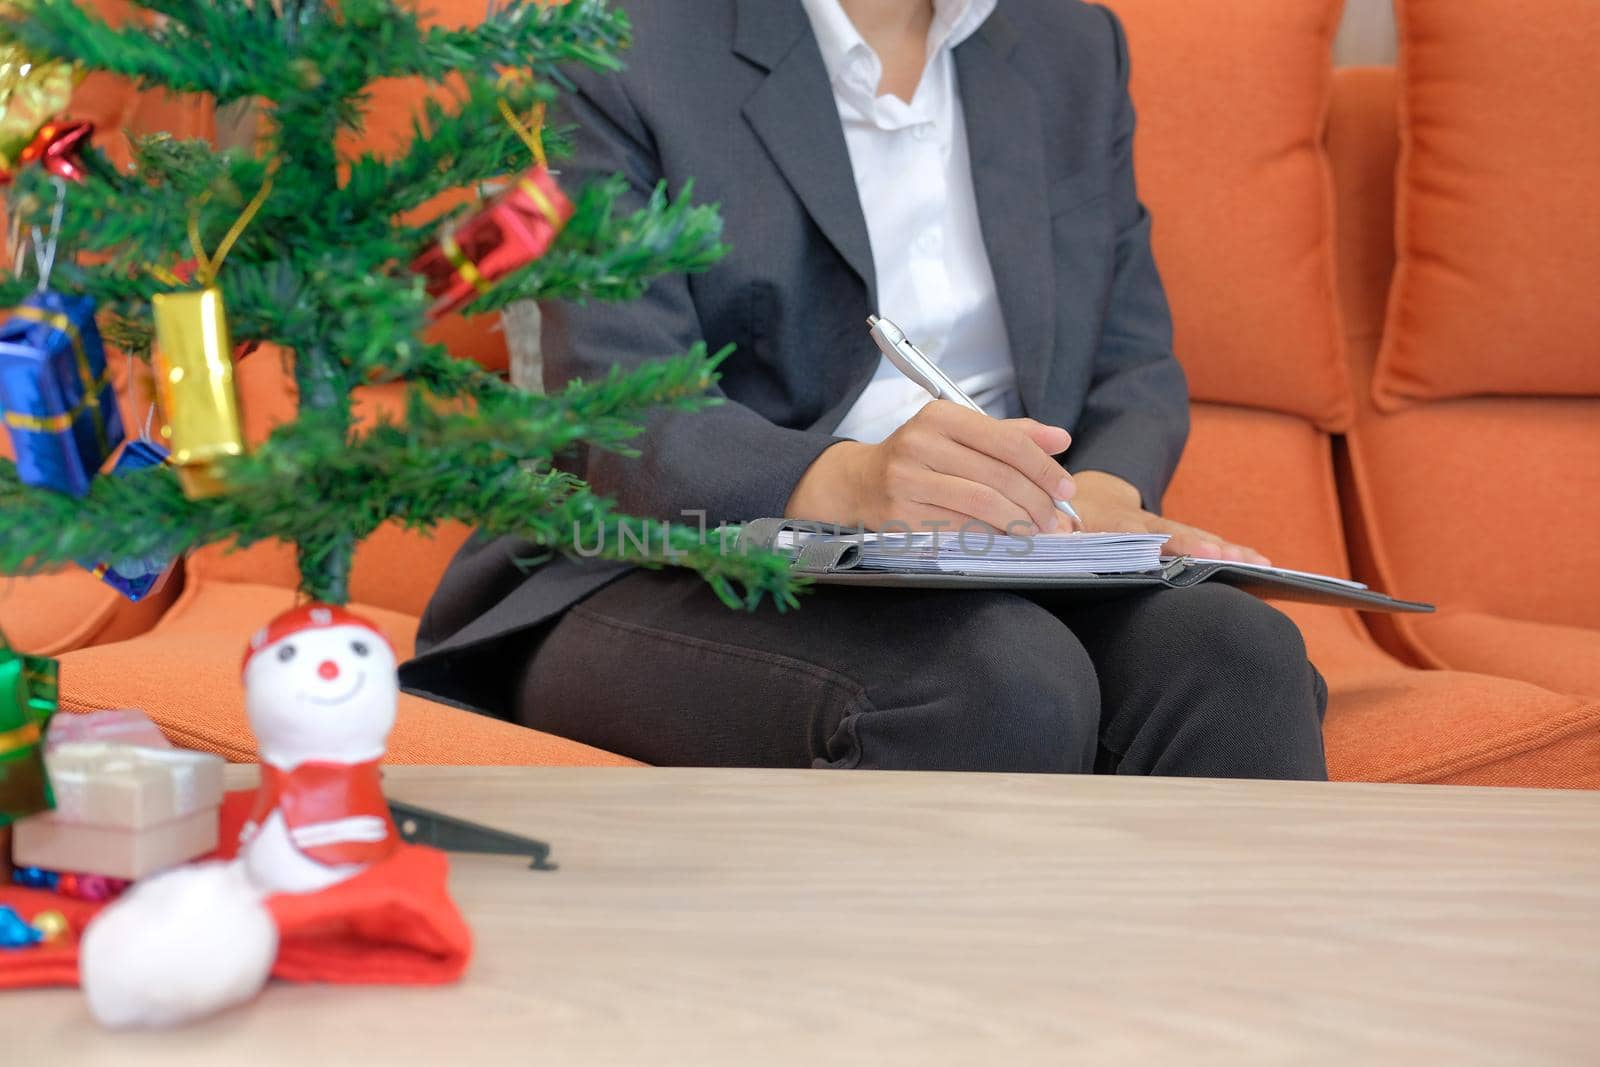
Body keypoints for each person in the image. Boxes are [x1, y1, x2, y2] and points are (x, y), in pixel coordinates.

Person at [400, 0, 1329, 780]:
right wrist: (852, 483)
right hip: (660, 559)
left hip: (1002, 551)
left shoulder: (1069, 44)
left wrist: (1102, 497)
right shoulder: (612, 43)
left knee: (1239, 660)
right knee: (998, 680)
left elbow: (1135, 361)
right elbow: (621, 410)